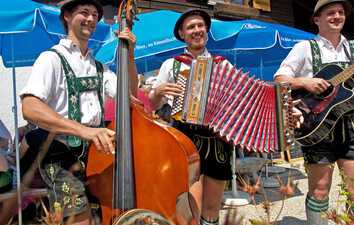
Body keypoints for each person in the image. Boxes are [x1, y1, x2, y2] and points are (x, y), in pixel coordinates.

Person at [273, 0, 354, 224]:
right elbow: (280, 79)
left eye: (341, 12)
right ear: (317, 19)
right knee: (319, 191)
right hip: (317, 124)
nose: (337, 16)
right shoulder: (304, 48)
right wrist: (305, 81)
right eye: (330, 12)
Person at [19, 0, 138, 224]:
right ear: (66, 16)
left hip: (96, 153)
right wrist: (85, 131)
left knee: (108, 213)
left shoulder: (99, 66)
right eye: (84, 12)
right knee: (80, 218)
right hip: (60, 154)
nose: (91, 19)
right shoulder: (51, 59)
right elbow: (30, 107)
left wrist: (129, 56)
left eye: (95, 14)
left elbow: (131, 97)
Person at [148, 9, 233, 225]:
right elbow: (154, 105)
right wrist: (157, 93)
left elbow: (236, 100)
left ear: (206, 31)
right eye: (191, 27)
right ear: (182, 34)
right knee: (190, 207)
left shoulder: (223, 64)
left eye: (200, 26)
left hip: (217, 141)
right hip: (184, 139)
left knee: (213, 207)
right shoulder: (172, 64)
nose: (197, 30)